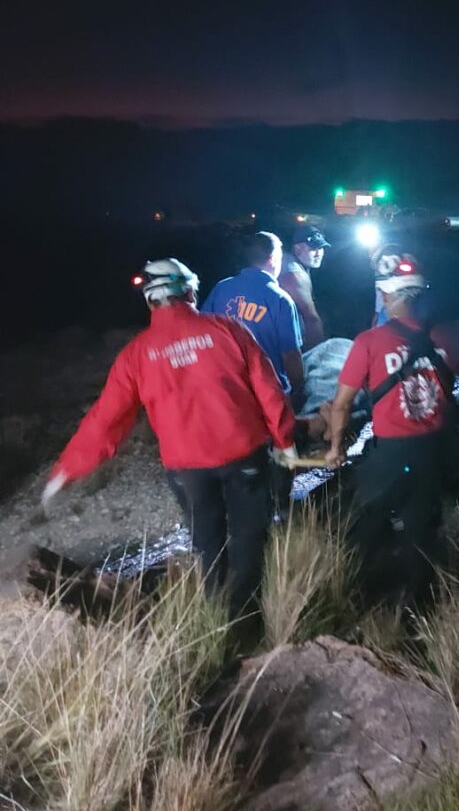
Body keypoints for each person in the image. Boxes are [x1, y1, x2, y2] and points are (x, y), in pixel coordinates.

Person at [42, 258, 297, 617]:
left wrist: (66, 470)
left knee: (208, 544)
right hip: (244, 457)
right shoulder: (229, 330)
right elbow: (268, 390)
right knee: (248, 537)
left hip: (186, 469)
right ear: (191, 290)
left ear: (149, 301)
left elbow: (105, 419)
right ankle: (246, 616)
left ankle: (216, 615)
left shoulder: (137, 354)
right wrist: (286, 442)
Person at [325, 259, 459, 604]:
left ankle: (355, 593)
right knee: (421, 527)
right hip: (434, 451)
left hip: (391, 452)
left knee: (365, 519)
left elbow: (341, 404)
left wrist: (336, 448)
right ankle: (417, 605)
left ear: (386, 296)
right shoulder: (449, 336)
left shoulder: (369, 341)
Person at [201, 231, 305, 407]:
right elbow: (291, 355)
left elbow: (201, 333)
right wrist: (299, 390)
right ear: (272, 259)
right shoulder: (280, 300)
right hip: (269, 396)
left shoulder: (221, 288)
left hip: (226, 392)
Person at [278, 226, 331, 351]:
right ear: (297, 250)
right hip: (289, 346)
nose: (319, 253)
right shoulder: (296, 275)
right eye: (313, 249)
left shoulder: (286, 260)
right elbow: (312, 320)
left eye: (321, 248)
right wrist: (316, 355)